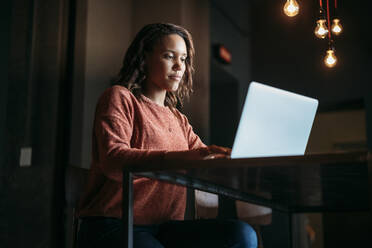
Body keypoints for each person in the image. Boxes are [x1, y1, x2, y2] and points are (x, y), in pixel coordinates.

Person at [77, 23, 258, 248]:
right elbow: (114, 160)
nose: (178, 66)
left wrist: (239, 157)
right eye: (169, 56)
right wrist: (180, 159)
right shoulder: (120, 98)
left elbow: (204, 161)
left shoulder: (178, 119)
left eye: (183, 59)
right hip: (115, 224)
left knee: (242, 235)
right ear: (144, 59)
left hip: (165, 229)